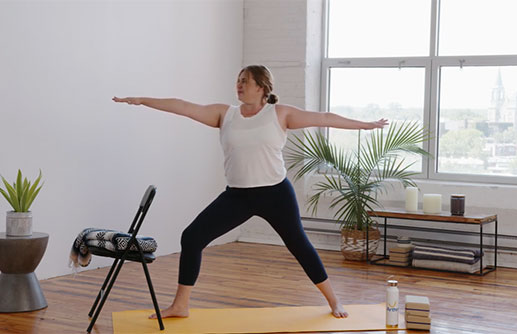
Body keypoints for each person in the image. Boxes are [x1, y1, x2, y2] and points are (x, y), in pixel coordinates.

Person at [113, 65, 388, 319]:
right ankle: (181, 305)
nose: (239, 85)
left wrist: (365, 125)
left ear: (262, 87)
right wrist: (142, 100)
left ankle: (334, 301)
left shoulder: (280, 113)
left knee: (299, 245)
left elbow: (325, 118)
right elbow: (183, 107)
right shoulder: (225, 114)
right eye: (238, 81)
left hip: (275, 194)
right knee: (192, 237)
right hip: (238, 196)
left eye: (245, 81)